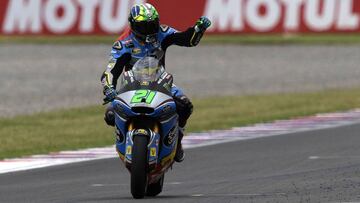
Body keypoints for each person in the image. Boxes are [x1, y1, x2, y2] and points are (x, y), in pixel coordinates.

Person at [100, 3, 211, 162]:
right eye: (144, 26)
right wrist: (109, 88)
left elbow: (187, 40)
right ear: (133, 25)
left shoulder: (163, 33)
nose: (150, 30)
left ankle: (177, 142)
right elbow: (110, 71)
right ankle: (124, 143)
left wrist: (198, 30)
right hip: (130, 86)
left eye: (153, 24)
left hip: (161, 83)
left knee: (185, 106)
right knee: (110, 115)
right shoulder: (123, 43)